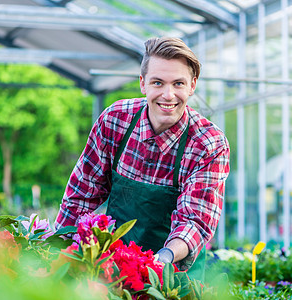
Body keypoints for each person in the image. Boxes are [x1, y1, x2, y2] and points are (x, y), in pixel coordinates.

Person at [55, 37, 230, 281]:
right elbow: (82, 194)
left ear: (192, 85)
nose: (168, 95)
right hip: (113, 269)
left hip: (175, 276)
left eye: (178, 84)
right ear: (143, 83)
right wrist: (55, 250)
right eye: (158, 83)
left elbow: (195, 221)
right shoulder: (115, 120)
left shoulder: (207, 143)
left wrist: (163, 258)